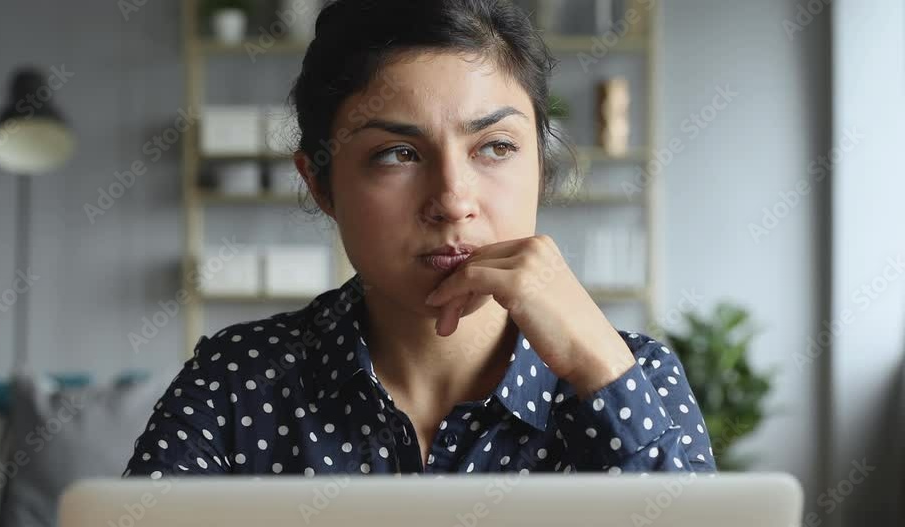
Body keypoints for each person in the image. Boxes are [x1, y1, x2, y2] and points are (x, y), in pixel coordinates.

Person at [125, 0, 716, 478]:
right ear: (322, 183)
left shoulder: (637, 372)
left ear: (541, 164)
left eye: (496, 147)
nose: (453, 200)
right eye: (397, 154)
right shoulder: (238, 380)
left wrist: (601, 370)